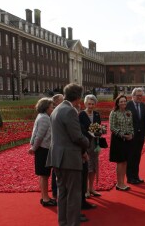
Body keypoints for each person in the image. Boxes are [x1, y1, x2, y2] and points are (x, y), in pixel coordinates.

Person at [46, 83, 89, 226]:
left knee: (62, 194)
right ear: (78, 97)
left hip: (57, 157)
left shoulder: (57, 109)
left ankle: (63, 222)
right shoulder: (70, 111)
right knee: (74, 195)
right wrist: (88, 142)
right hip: (69, 158)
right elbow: (76, 136)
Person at [28, 97, 56, 206]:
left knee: (43, 175)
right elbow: (39, 136)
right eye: (51, 107)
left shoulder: (42, 116)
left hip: (43, 148)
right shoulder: (45, 118)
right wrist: (33, 148)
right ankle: (45, 199)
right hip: (43, 149)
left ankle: (45, 197)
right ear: (46, 107)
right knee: (44, 175)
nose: (53, 109)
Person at [79, 94, 102, 198]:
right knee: (86, 167)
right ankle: (85, 190)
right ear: (85, 103)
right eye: (89, 104)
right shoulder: (81, 115)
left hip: (95, 144)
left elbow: (99, 128)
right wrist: (89, 133)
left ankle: (91, 188)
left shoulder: (97, 114)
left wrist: (99, 132)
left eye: (93, 104)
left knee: (94, 166)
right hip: (85, 144)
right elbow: (80, 130)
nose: (91, 106)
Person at [109, 94, 134, 191]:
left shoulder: (129, 112)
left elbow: (131, 125)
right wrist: (122, 135)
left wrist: (131, 134)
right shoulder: (114, 113)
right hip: (118, 140)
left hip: (128, 139)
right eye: (121, 102)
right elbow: (112, 127)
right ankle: (119, 183)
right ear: (118, 103)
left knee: (125, 161)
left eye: (124, 101)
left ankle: (122, 182)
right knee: (120, 161)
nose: (123, 103)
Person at [126, 87, 145, 184]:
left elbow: (144, 121)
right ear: (133, 96)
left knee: (137, 156)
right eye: (138, 95)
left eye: (141, 95)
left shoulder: (143, 105)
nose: (140, 97)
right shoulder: (128, 105)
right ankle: (130, 177)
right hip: (131, 135)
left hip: (140, 136)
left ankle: (136, 176)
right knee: (131, 156)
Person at [51, 94, 64, 199]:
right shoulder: (56, 111)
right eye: (61, 100)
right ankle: (56, 191)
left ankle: (57, 191)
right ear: (56, 102)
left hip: (58, 144)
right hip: (58, 144)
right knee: (56, 170)